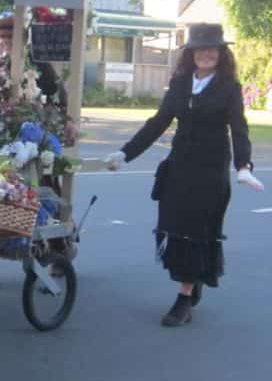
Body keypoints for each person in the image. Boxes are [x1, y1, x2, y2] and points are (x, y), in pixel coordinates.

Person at [104, 23, 264, 327]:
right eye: (199, 49)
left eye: (211, 48)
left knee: (195, 230)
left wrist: (243, 167)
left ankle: (183, 297)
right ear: (190, 54)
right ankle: (192, 281)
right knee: (175, 228)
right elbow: (158, 122)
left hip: (210, 170)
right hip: (180, 167)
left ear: (220, 53)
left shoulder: (229, 87)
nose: (205, 53)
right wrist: (125, 153)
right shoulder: (179, 84)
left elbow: (239, 129)